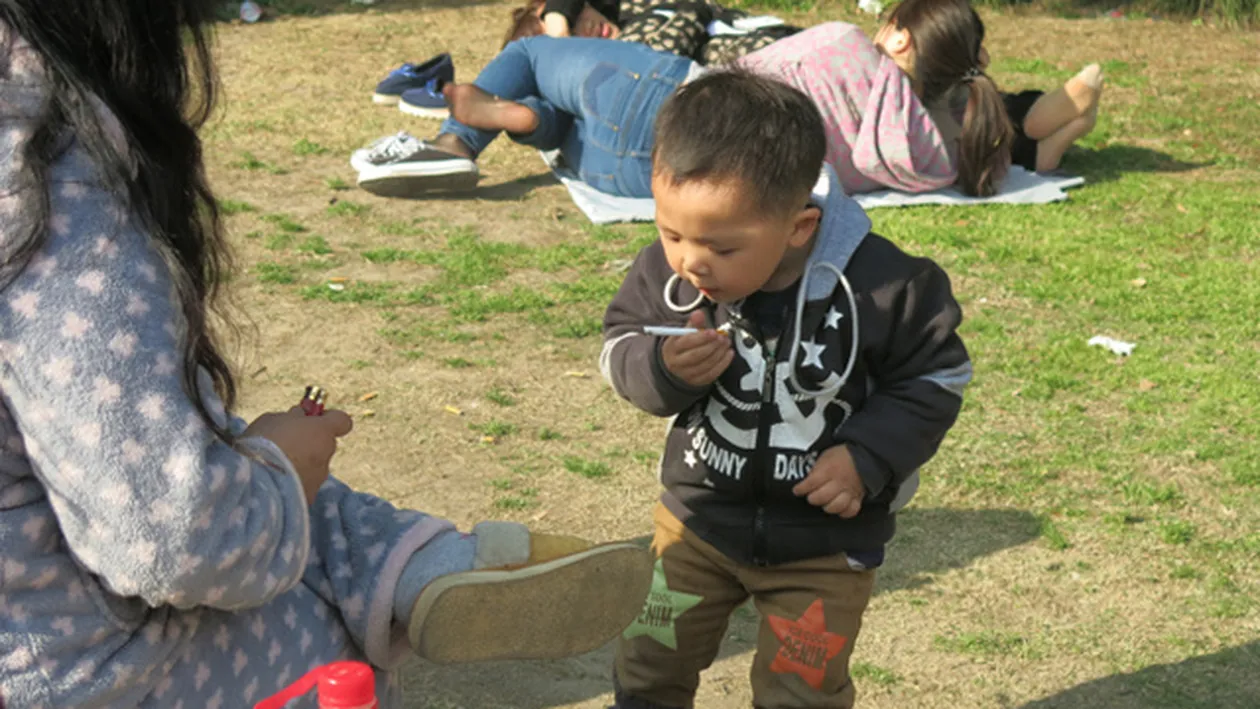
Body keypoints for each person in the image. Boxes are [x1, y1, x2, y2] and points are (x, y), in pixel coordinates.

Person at [0, 2, 653, 707]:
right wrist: (277, 470)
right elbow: (176, 537)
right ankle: (428, 563)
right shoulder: (51, 191)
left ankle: (422, 563)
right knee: (295, 533)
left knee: (268, 479)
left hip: (48, 611)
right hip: (95, 668)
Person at [598, 69, 971, 708]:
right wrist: (661, 369)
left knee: (801, 695)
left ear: (798, 228)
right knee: (648, 669)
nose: (691, 261)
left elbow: (935, 376)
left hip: (822, 550)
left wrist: (867, 456)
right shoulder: (669, 274)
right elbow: (617, 347)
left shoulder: (888, 288)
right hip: (696, 525)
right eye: (671, 232)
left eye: (720, 245)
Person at [365, 0, 1013, 199]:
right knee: (562, 128)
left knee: (531, 55)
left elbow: (737, 66)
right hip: (653, 177)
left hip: (665, 99)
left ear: (899, 33)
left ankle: (458, 142)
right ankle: (529, 120)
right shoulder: (929, 156)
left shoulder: (846, 46)